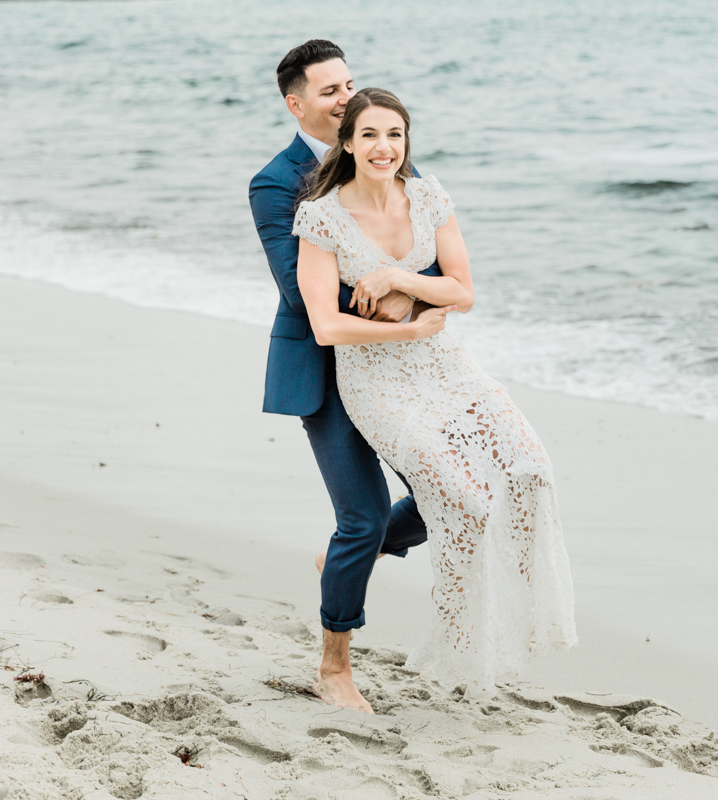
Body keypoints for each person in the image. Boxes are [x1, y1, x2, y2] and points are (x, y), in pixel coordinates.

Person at [293, 87, 577, 697]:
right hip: (376, 380)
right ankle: (460, 640)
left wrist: (401, 278)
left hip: (449, 366)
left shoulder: (428, 196)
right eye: (369, 134)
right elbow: (325, 325)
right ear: (346, 142)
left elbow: (464, 291)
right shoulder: (321, 216)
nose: (383, 147)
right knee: (463, 497)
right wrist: (410, 323)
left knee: (531, 468)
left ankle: (522, 618)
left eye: (394, 135)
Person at [248, 40, 442, 712]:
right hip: (326, 371)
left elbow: (438, 267)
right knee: (358, 521)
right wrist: (391, 292)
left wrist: (406, 289)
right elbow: (301, 293)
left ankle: (349, 561)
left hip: (404, 365)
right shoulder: (277, 182)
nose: (345, 99)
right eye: (329, 91)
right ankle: (334, 669)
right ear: (295, 103)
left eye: (350, 84)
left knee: (449, 494)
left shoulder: (387, 157)